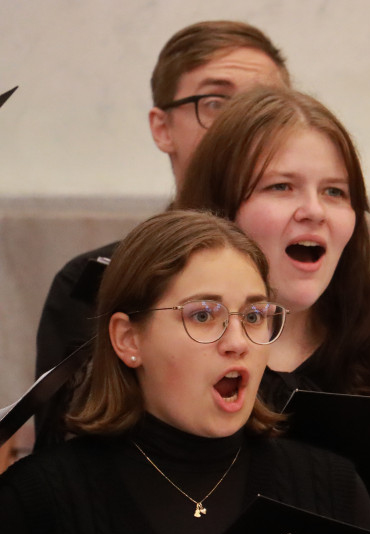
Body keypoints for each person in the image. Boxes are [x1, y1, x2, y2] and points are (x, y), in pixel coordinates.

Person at [1, 211, 370, 534]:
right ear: (127, 339)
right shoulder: (39, 502)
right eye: (204, 315)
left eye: (256, 315)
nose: (239, 342)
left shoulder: (331, 487)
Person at [34, 20, 290, 448]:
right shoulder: (95, 283)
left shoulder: (309, 282)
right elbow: (65, 453)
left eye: (265, 105)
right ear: (162, 128)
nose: (245, 124)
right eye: (216, 103)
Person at [173, 86, 370, 410]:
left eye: (334, 191)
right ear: (219, 209)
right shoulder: (172, 362)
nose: (315, 211)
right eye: (281, 186)